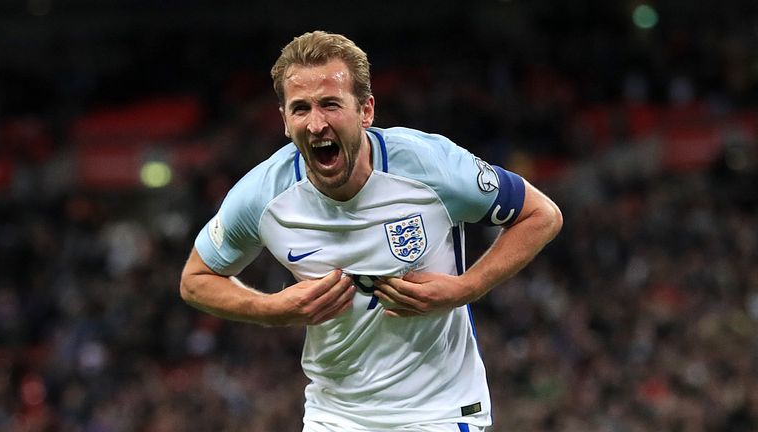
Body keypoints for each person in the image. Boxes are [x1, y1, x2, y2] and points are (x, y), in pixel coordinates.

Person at [180, 30, 562, 432]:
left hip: (439, 413)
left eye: (330, 104)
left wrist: (466, 288)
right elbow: (195, 280)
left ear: (366, 111)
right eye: (301, 108)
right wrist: (273, 310)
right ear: (283, 120)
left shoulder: (432, 167)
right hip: (334, 417)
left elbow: (542, 214)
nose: (316, 124)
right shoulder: (263, 195)